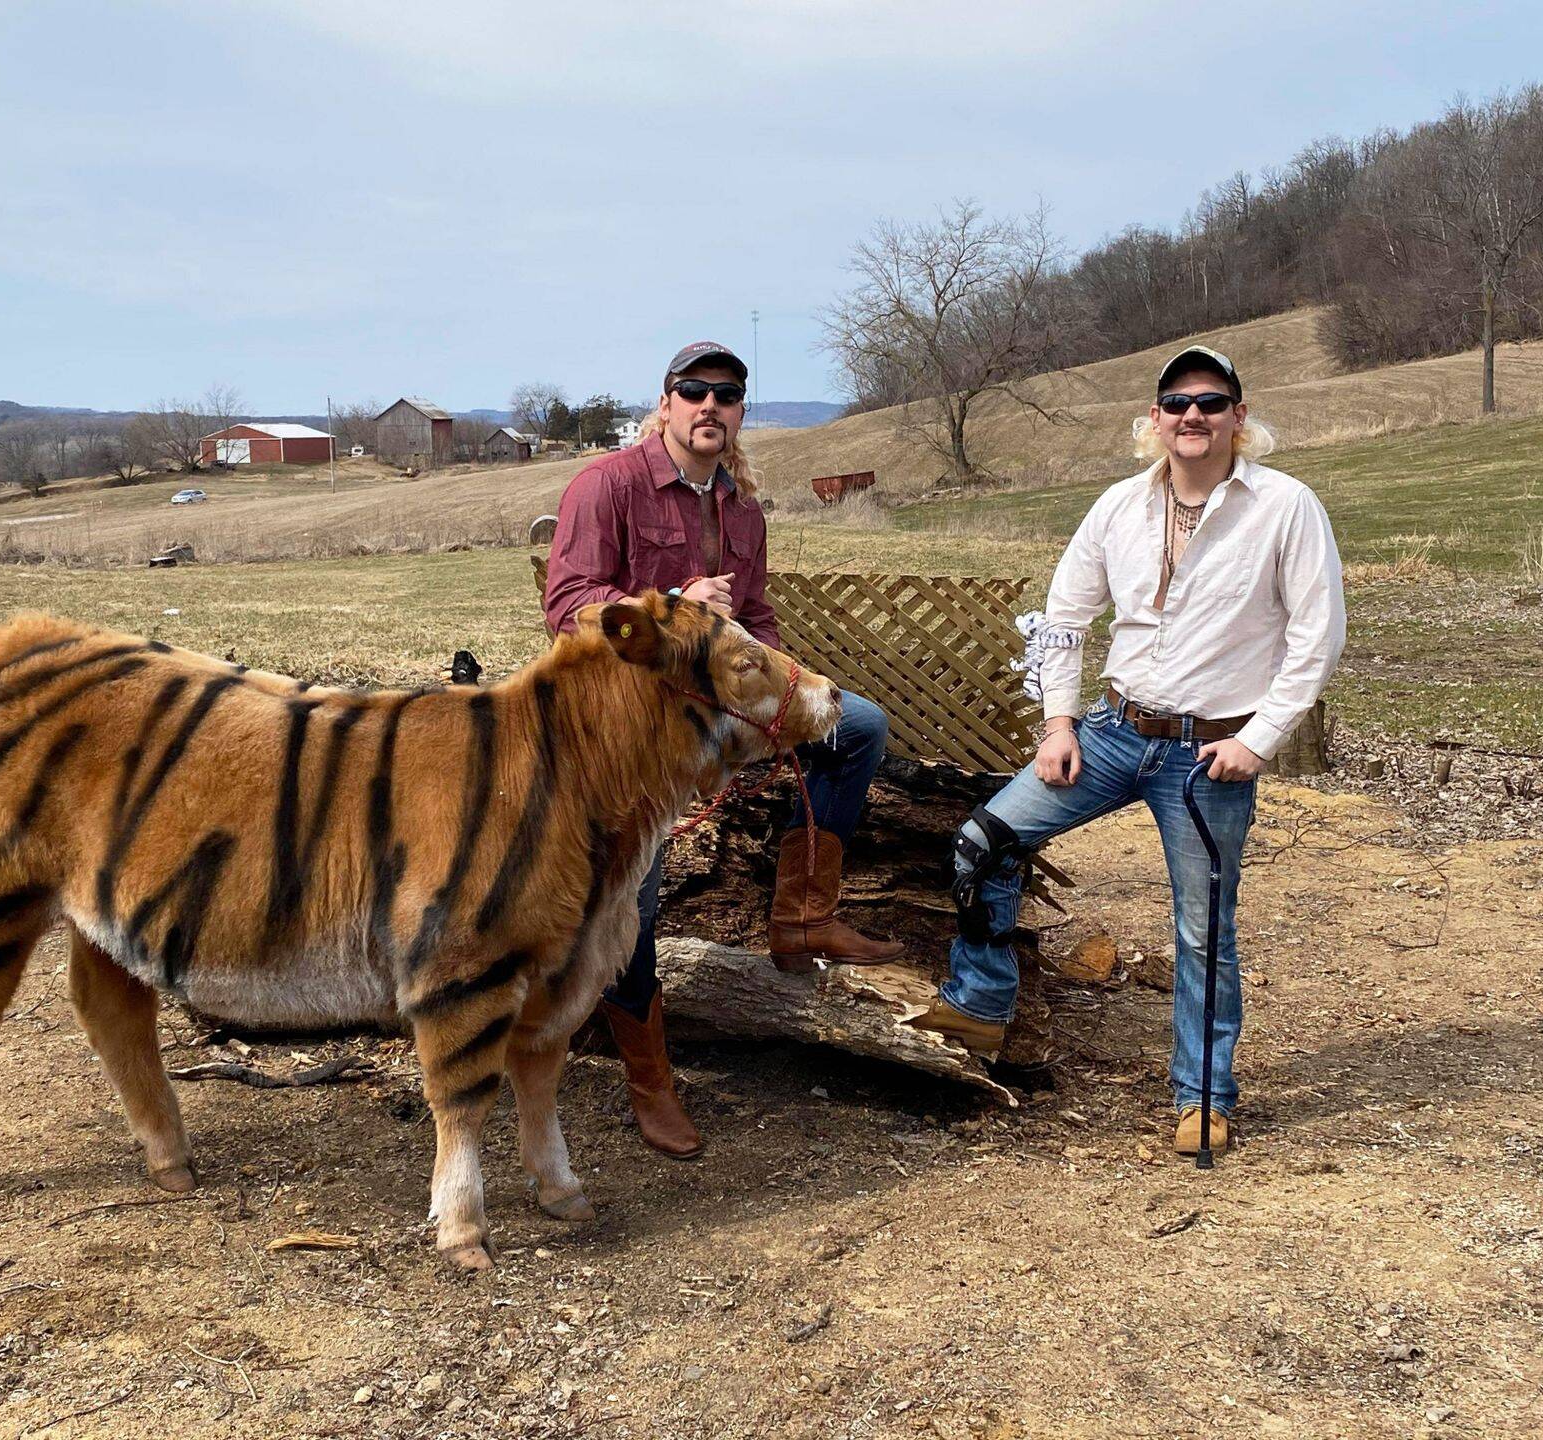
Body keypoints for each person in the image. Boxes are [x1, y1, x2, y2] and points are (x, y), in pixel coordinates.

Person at [908, 345, 1346, 1155]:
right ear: (1154, 420)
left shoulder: (1285, 506)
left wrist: (1260, 739)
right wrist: (1058, 724)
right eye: (1176, 402)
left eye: (1211, 403)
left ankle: (1203, 1095)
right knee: (983, 842)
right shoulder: (1118, 507)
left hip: (1211, 753)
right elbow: (1063, 620)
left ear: (1238, 419)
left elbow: (1318, 638)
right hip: (1113, 733)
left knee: (1201, 930)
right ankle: (979, 1005)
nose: (1193, 416)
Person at [543, 341, 905, 1158]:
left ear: (740, 410)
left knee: (861, 726)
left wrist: (789, 686)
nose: (710, 405)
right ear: (665, 402)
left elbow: (759, 621)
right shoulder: (607, 485)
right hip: (629, 725)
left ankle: (802, 919)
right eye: (693, 391)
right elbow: (567, 607)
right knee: (634, 896)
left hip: (718, 708)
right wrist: (670, 604)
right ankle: (649, 1076)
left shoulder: (740, 503)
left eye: (727, 394)